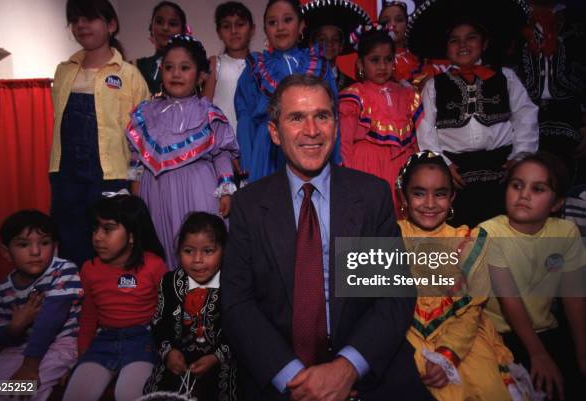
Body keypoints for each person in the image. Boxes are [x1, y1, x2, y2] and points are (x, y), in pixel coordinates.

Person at [222, 74, 432, 400]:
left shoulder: (370, 196)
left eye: (322, 116)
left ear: (335, 125)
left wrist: (347, 368)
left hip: (366, 370)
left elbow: (392, 296)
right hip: (280, 374)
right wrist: (294, 379)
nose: (312, 131)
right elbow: (238, 305)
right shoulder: (249, 206)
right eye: (296, 118)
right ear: (275, 132)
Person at [396, 151, 529, 401]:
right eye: (419, 193)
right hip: (406, 333)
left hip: (461, 338)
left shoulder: (465, 241)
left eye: (440, 194)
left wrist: (448, 354)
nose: (430, 203)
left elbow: (469, 312)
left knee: (484, 385)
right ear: (403, 196)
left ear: (452, 196)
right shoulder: (392, 236)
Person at [478, 152, 586, 401]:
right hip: (499, 337)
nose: (524, 195)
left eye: (538, 189)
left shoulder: (566, 232)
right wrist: (538, 354)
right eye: (517, 186)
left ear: (557, 203)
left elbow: (574, 295)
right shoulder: (489, 232)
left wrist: (582, 354)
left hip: (547, 330)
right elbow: (509, 298)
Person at [50, 0, 149, 268]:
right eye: (75, 19)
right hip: (66, 173)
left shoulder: (129, 75)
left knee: (113, 247)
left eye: (89, 18)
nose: (81, 25)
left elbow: (143, 135)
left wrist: (136, 181)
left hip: (112, 175)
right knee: (70, 243)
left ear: (111, 25)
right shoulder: (63, 71)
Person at [127, 34, 240, 269]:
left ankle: (206, 303)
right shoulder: (147, 111)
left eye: (184, 68)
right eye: (169, 67)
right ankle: (171, 302)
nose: (175, 73)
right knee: (161, 249)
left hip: (197, 190)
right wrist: (135, 188)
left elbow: (222, 153)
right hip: (154, 194)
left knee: (198, 253)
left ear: (200, 76)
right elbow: (137, 156)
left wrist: (227, 190)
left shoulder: (207, 112)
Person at [416, 18, 538, 227]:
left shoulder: (505, 77)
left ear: (485, 43)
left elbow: (525, 116)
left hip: (502, 167)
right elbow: (425, 129)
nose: (463, 45)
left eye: (471, 38)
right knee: (463, 228)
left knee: (502, 226)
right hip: (456, 171)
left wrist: (520, 157)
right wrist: (442, 164)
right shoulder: (435, 86)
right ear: (446, 48)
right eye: (455, 40)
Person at [62, 194, 168, 401]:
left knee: (128, 394)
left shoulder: (154, 265)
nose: (98, 237)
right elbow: (89, 316)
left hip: (143, 340)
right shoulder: (89, 269)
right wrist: (82, 356)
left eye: (108, 229)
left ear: (131, 236)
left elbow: (166, 312)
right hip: (103, 340)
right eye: (95, 229)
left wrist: (167, 351)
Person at [0, 210, 82, 401]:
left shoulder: (63, 270)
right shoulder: (3, 289)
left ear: (55, 247)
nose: (35, 252)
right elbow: (0, 337)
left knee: (26, 390)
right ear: (6, 252)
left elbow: (51, 319)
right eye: (23, 244)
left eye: (44, 243)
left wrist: (29, 366)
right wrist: (15, 326)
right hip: (19, 348)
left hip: (59, 345)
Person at [234, 0, 338, 183]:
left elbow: (333, 113)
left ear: (301, 25)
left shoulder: (319, 65)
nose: (280, 27)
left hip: (311, 143)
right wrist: (248, 165)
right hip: (267, 151)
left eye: (287, 20)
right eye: (272, 22)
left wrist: (336, 157)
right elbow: (245, 118)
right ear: (265, 29)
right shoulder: (255, 68)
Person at [144, 212, 237, 400]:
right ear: (178, 252)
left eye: (208, 251)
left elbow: (240, 330)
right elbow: (158, 323)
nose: (197, 260)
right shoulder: (169, 282)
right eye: (188, 251)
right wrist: (169, 352)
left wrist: (215, 357)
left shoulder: (233, 285)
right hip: (177, 360)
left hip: (220, 360)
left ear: (224, 251)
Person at [339, 25, 422, 215]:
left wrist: (419, 169)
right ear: (360, 64)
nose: (383, 66)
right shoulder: (355, 95)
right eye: (375, 60)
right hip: (367, 166)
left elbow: (417, 140)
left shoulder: (407, 94)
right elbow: (345, 141)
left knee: (404, 222)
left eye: (388, 59)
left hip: (403, 166)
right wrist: (347, 177)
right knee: (372, 218)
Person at [512, 0, 586, 185]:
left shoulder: (578, 16)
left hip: (572, 115)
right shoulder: (508, 16)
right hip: (517, 116)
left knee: (569, 185)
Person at [202, 1, 255, 132]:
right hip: (221, 143)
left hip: (253, 139)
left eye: (240, 24)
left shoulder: (259, 63)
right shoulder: (215, 63)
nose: (233, 31)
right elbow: (204, 107)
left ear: (252, 29)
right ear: (219, 33)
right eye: (226, 26)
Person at [301, 0, 371, 91]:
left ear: (341, 45)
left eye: (335, 39)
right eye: (322, 39)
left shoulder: (352, 87)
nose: (329, 43)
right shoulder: (301, 82)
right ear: (312, 44)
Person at [136, 1, 187, 95]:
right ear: (151, 27)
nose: (165, 28)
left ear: (183, 31)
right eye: (159, 22)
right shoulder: (136, 67)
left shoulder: (197, 68)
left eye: (172, 24)